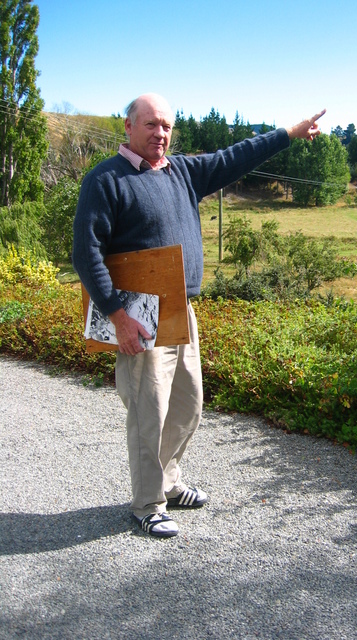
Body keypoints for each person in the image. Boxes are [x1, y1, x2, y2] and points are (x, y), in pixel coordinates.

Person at [73, 93, 326, 539]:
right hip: (138, 312)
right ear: (128, 127)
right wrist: (118, 316)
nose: (161, 133)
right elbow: (86, 253)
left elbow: (236, 156)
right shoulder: (105, 180)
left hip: (181, 309)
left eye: (167, 125)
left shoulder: (183, 172)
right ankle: (147, 503)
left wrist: (290, 132)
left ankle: (168, 484)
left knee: (188, 406)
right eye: (151, 124)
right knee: (148, 412)